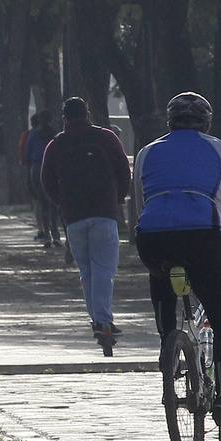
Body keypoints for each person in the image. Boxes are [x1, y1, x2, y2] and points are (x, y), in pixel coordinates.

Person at [134, 92, 221, 440]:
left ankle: (169, 344)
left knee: (163, 285)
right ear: (208, 123)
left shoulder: (148, 152)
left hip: (153, 238)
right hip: (202, 238)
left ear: (169, 122)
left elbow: (141, 201)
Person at [40, 96, 132, 348]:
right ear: (88, 114)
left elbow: (46, 180)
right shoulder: (106, 138)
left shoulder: (56, 144)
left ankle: (97, 320)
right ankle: (103, 321)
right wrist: (118, 198)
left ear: (64, 118)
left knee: (87, 270)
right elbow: (123, 169)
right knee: (104, 268)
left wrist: (62, 202)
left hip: (74, 216)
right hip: (104, 211)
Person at [25, 111, 61, 250]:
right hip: (52, 168)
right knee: (53, 203)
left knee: (42, 202)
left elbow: (27, 155)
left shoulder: (33, 134)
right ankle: (56, 234)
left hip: (37, 167)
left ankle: (46, 235)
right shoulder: (55, 134)